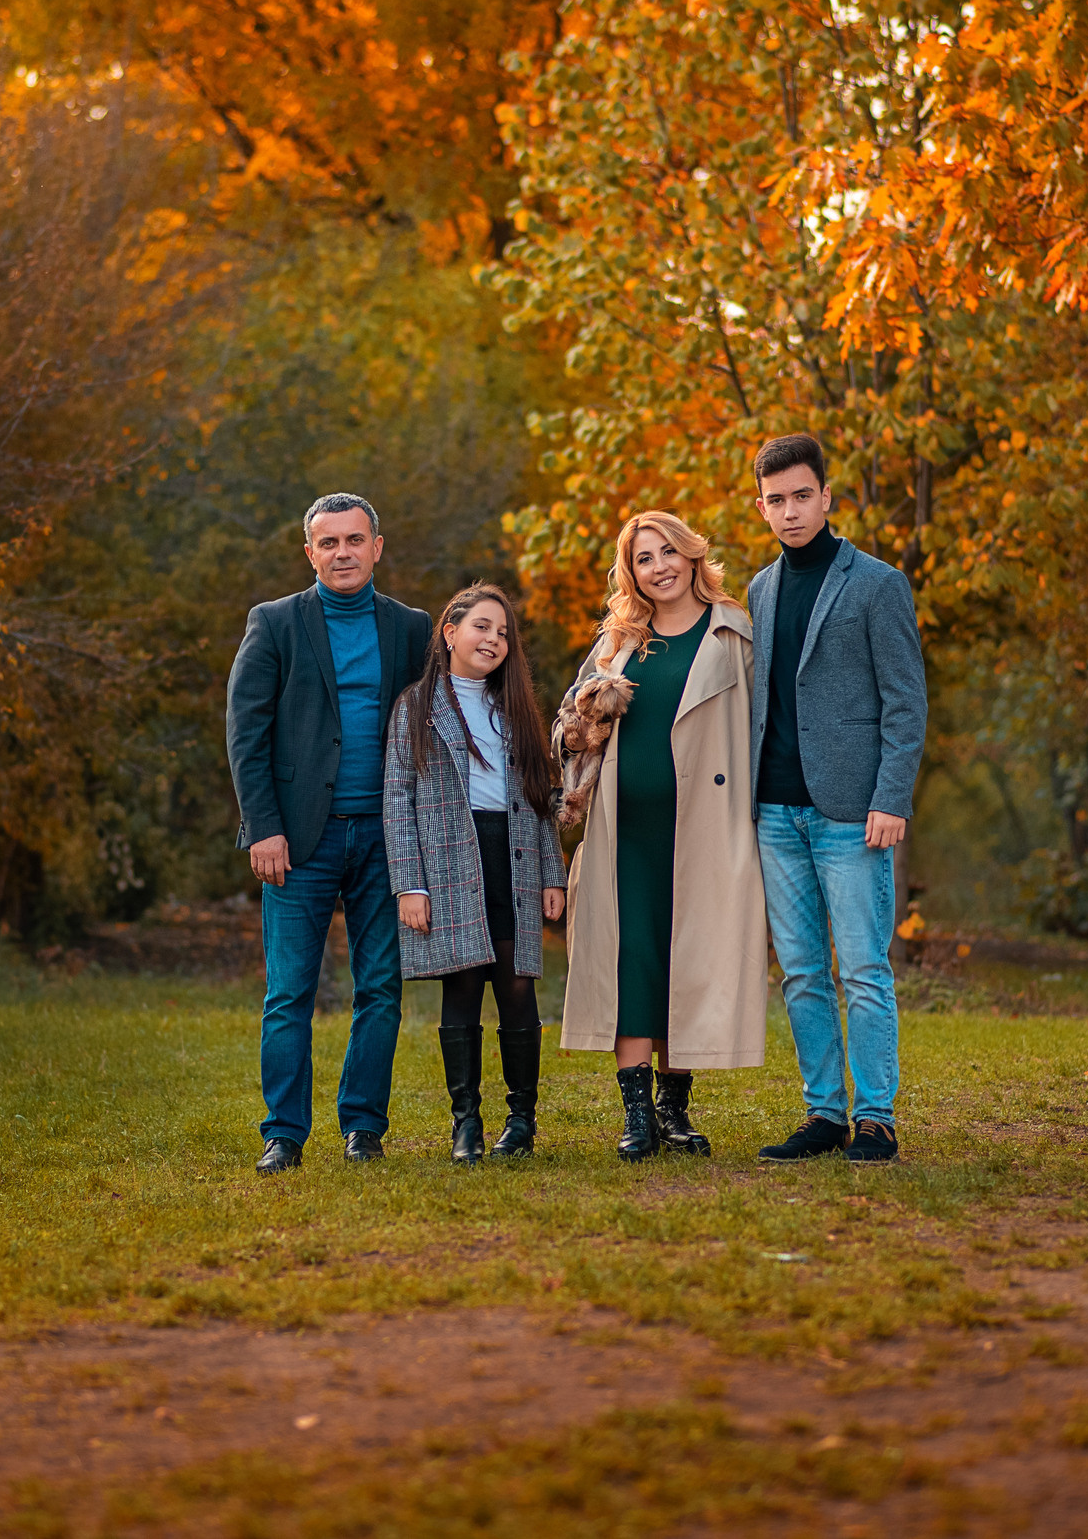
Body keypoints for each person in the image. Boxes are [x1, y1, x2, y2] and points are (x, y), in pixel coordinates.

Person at [225, 494, 432, 1174]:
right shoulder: (276, 623)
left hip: (386, 838)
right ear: (309, 552)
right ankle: (283, 1133)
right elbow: (246, 732)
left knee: (381, 988)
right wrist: (263, 827)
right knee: (289, 992)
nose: (343, 552)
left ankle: (363, 1128)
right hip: (298, 839)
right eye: (329, 542)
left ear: (378, 546)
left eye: (355, 539)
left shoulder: (410, 628)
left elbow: (432, 728)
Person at [555, 511, 767, 1161]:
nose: (660, 566)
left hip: (706, 823)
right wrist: (585, 718)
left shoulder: (734, 632)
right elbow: (570, 725)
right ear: (633, 571)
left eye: (669, 551)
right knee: (634, 960)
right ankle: (637, 1117)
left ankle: (676, 1111)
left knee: (690, 959)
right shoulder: (618, 640)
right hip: (628, 828)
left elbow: (760, 728)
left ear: (692, 554)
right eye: (645, 558)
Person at [743, 434, 928, 1166]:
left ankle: (875, 1115)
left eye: (801, 496)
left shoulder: (877, 584)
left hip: (854, 812)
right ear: (761, 506)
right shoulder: (760, 590)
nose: (790, 511)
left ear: (826, 496)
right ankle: (823, 1112)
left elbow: (905, 703)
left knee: (862, 966)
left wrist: (892, 795)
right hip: (777, 813)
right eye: (776, 500)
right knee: (800, 972)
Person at [383, 586, 568, 1162]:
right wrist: (409, 885)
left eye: (503, 632)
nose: (493, 640)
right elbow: (398, 800)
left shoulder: (513, 709)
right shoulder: (415, 706)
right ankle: (466, 1124)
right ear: (450, 633)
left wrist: (552, 875)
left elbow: (538, 799)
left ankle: (521, 1122)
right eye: (482, 627)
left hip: (511, 855)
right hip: (446, 863)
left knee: (516, 986)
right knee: (462, 984)